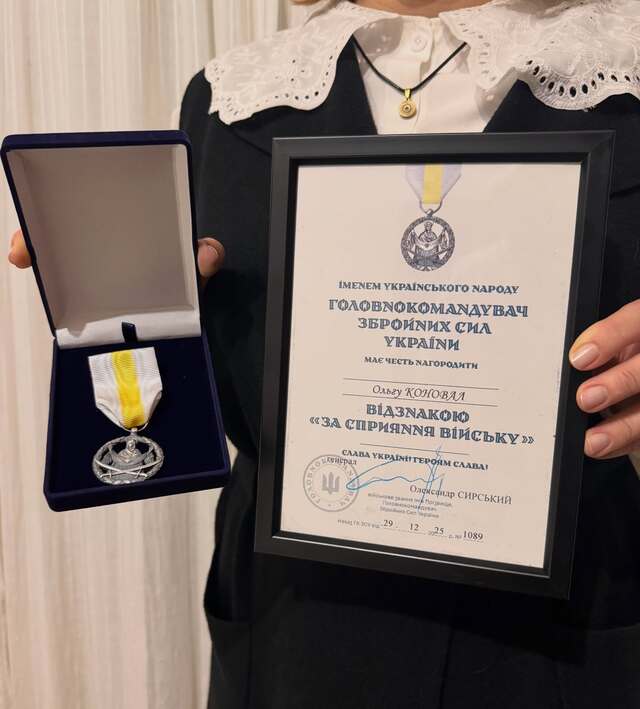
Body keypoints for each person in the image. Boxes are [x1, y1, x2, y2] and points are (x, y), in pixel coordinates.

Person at [9, 0, 640, 706]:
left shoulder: (621, 69)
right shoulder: (232, 100)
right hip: (297, 637)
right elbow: (213, 385)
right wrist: (120, 302)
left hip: (567, 642)